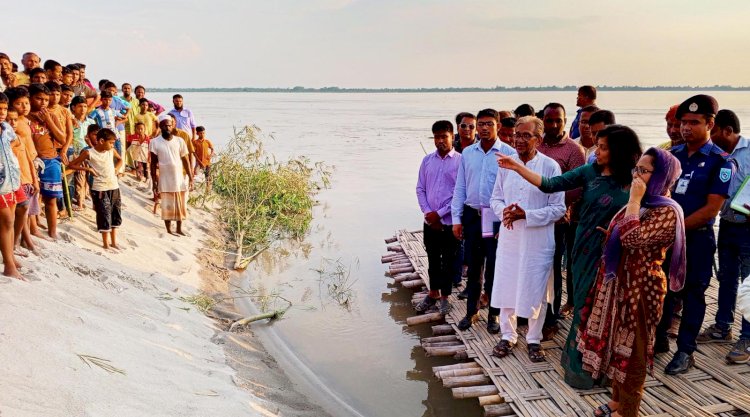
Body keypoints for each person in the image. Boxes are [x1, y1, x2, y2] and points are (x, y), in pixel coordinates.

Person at [499, 124, 642, 388]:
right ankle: (580, 365)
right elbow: (552, 185)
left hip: (620, 252)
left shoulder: (636, 181)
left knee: (612, 307)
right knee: (585, 302)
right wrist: (518, 167)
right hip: (586, 248)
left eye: (602, 147)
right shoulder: (590, 172)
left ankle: (607, 364)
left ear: (619, 151)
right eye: (597, 146)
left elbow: (647, 211)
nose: (596, 151)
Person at [578, 147, 685, 417]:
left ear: (661, 176)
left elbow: (633, 239)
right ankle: (616, 400)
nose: (637, 175)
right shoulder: (645, 203)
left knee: (633, 350)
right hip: (617, 282)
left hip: (640, 288)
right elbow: (624, 233)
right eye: (636, 169)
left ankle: (628, 410)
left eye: (644, 171)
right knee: (616, 344)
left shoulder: (667, 210)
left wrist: (634, 200)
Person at [654, 95, 735, 375]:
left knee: (693, 295)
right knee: (661, 290)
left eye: (693, 123)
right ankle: (659, 339)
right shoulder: (671, 157)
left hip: (696, 239)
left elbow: (711, 209)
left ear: (710, 124)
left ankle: (686, 351)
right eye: (683, 123)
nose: (685, 128)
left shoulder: (720, 162)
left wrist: (672, 229)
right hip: (665, 239)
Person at [489, 116, 565, 362]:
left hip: (538, 241)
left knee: (536, 289)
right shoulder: (505, 165)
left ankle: (533, 338)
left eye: (525, 136)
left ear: (538, 140)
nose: (519, 140)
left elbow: (558, 209)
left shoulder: (550, 167)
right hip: (510, 239)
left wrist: (527, 215)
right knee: (506, 285)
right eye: (517, 135)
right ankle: (508, 335)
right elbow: (495, 199)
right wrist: (505, 213)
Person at [451, 108, 516, 333]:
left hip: (496, 217)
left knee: (495, 267)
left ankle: (494, 315)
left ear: (498, 126)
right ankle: (472, 312)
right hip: (472, 215)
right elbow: (460, 187)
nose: (484, 128)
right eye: (481, 124)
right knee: (474, 265)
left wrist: (506, 219)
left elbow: (512, 190)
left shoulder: (508, 153)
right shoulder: (468, 153)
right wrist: (456, 219)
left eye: (489, 124)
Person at [695, 109, 750, 363]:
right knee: (726, 277)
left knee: (748, 283)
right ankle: (722, 326)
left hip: (749, 226)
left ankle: (747, 338)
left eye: (714, 130)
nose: (710, 135)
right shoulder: (716, 156)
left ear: (727, 130)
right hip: (726, 223)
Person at [537, 103, 586, 337]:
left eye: (559, 120)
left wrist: (552, 204)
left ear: (566, 121)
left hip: (558, 220)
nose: (554, 125)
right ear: (543, 120)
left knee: (554, 269)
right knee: (536, 266)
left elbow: (577, 188)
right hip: (533, 218)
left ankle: (551, 318)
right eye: (549, 120)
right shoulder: (535, 144)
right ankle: (532, 312)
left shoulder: (574, 151)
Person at [415, 120, 462, 315]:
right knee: (432, 258)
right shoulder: (427, 160)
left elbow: (460, 194)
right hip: (430, 222)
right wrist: (428, 214)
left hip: (450, 222)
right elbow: (420, 189)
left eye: (444, 136)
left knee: (448, 260)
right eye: (437, 137)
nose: (440, 140)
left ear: (452, 137)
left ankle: (445, 297)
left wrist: (440, 214)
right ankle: (433, 293)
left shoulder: (460, 161)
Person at [68, 128, 123, 249]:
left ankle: (114, 242)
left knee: (115, 214)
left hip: (114, 186)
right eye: (111, 143)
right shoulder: (89, 153)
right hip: (100, 188)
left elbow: (120, 160)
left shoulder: (111, 151)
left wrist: (116, 169)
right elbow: (72, 165)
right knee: (104, 214)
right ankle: (105, 244)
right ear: (102, 141)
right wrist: (88, 169)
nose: (112, 145)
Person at [28, 83, 66, 240]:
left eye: (45, 99)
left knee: (51, 199)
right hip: (31, 161)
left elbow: (62, 139)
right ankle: (33, 228)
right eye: (38, 98)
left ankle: (52, 231)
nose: (43, 102)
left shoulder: (52, 116)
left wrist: (48, 120)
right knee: (31, 198)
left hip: (50, 160)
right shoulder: (24, 117)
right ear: (30, 98)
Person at [150, 116, 193, 235]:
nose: (167, 127)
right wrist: (154, 181)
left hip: (179, 178)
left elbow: (186, 160)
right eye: (164, 125)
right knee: (167, 205)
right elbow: (153, 164)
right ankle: (169, 229)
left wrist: (191, 177)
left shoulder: (180, 141)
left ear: (172, 126)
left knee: (180, 204)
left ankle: (179, 228)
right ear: (160, 127)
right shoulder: (154, 142)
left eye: (169, 125)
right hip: (165, 178)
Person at [0, 93, 25, 279]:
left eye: (4, 109)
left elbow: (15, 142)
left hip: (12, 180)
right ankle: (8, 265)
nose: (2, 113)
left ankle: (10, 257)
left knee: (10, 220)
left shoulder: (6, 127)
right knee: (7, 220)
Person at [70, 96, 96, 210]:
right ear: (73, 107)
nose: (83, 109)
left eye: (85, 106)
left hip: (89, 153)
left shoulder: (91, 122)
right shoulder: (70, 121)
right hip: (76, 153)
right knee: (78, 178)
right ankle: (79, 202)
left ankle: (86, 199)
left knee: (89, 179)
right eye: (80, 106)